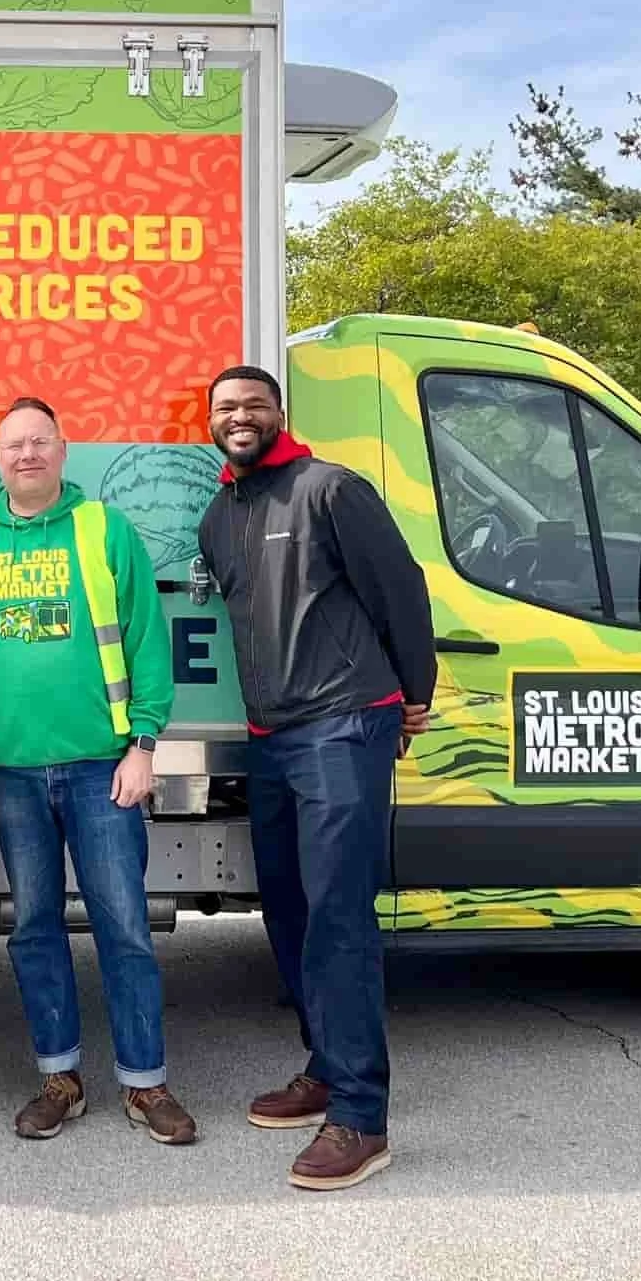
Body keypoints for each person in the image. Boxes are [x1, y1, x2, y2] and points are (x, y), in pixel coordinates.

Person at [0, 397, 195, 1146]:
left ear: (63, 449)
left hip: (101, 768)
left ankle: (146, 1085)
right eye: (13, 445)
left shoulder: (104, 529)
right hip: (7, 773)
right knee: (36, 928)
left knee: (125, 926)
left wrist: (143, 743)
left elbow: (148, 640)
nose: (27, 455)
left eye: (39, 441)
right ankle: (60, 1078)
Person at [198, 363, 436, 1191]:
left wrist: (415, 691)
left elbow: (401, 589)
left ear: (277, 413)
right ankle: (327, 1066)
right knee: (290, 910)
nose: (239, 417)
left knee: (338, 915)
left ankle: (362, 1117)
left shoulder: (330, 489)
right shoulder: (218, 516)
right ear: (211, 421)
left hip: (344, 722)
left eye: (252, 405)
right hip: (273, 736)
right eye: (225, 407)